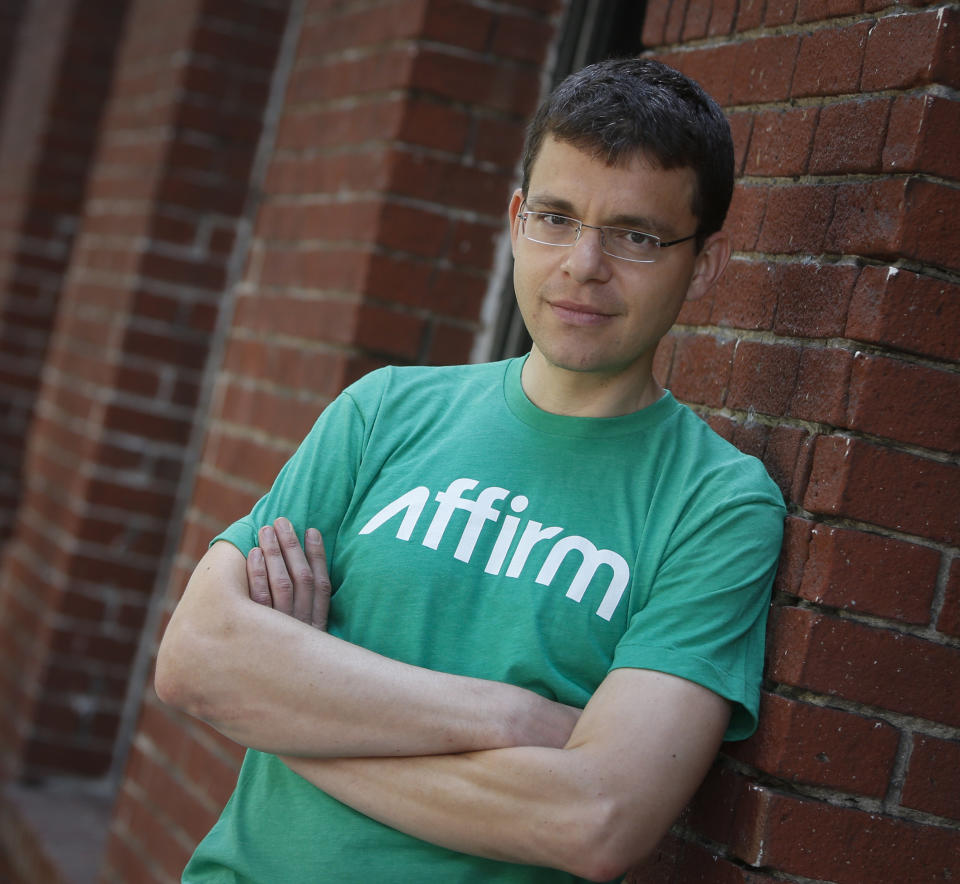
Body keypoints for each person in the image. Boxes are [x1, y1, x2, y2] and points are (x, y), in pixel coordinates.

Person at [155, 57, 785, 883]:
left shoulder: (717, 506)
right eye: (556, 217)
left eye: (636, 235)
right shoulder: (383, 413)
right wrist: (511, 717)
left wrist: (295, 708)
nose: (583, 265)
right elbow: (194, 658)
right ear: (518, 218)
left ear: (702, 263)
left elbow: (595, 820)